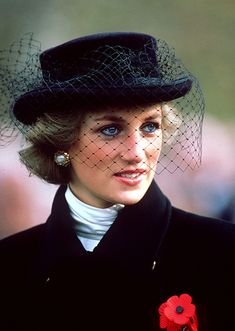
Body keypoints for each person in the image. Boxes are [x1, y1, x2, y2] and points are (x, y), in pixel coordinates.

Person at [0, 32, 234, 331]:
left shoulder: (222, 253)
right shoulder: (9, 267)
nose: (137, 153)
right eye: (110, 130)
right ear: (61, 143)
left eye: (150, 127)